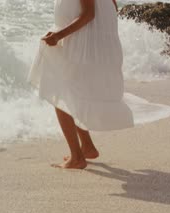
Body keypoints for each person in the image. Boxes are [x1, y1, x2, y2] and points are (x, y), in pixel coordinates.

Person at [29, 0, 133, 169]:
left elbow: (88, 15)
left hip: (81, 43)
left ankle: (76, 157)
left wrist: (58, 35)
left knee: (61, 93)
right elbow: (112, 6)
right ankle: (87, 147)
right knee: (72, 93)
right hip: (82, 41)